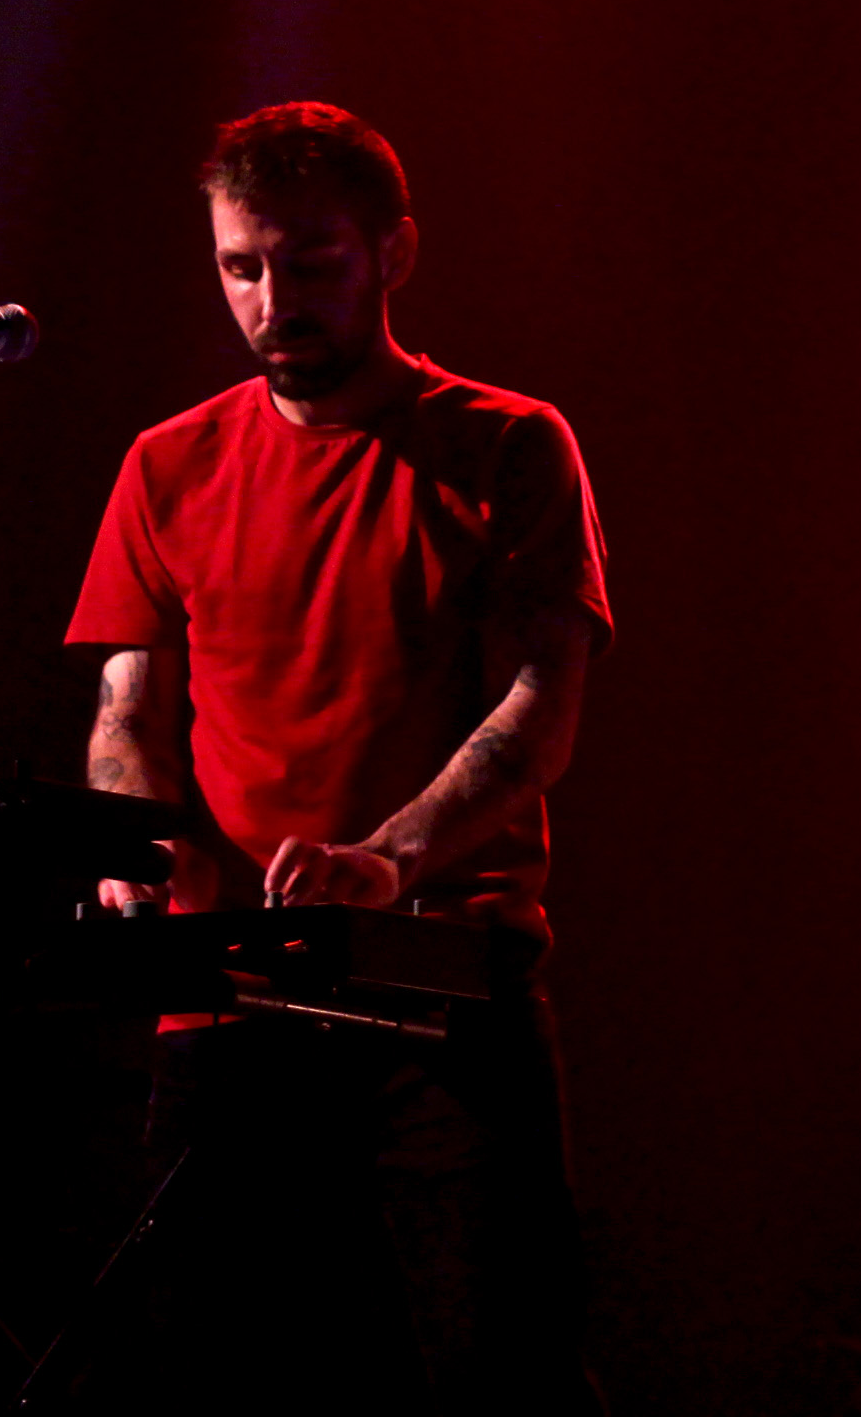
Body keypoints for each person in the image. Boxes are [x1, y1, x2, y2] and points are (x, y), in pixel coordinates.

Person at [65, 101, 611, 1410]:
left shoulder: (508, 444)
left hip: (445, 997)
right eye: (242, 267)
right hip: (226, 999)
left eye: (310, 265)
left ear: (392, 254)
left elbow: (540, 704)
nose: (272, 302)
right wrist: (134, 845)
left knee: (498, 1378)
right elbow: (129, 713)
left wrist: (384, 862)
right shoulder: (167, 464)